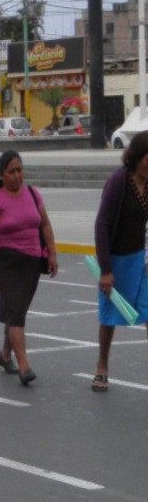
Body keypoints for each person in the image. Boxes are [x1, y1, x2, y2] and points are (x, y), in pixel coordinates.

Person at [0, 150, 57, 386]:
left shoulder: (32, 194)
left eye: (20, 170)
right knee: (16, 313)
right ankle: (24, 365)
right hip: (7, 262)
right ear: (1, 175)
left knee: (17, 311)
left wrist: (52, 254)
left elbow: (45, 225)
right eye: (12, 171)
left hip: (32, 261)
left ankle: (5, 354)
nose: (17, 175)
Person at [91, 130, 148, 391]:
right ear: (136, 158)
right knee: (110, 315)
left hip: (143, 259)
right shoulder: (119, 182)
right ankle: (102, 365)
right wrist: (106, 270)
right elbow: (102, 225)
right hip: (117, 260)